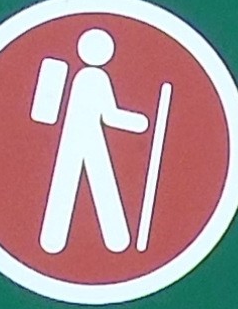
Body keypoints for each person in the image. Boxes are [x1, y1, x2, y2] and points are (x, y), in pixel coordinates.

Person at [32, 27, 150, 257]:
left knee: (71, 184)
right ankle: (114, 240)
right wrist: (139, 123)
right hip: (84, 138)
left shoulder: (85, 77)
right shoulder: (94, 78)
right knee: (97, 183)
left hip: (81, 138)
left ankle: (57, 240)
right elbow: (109, 116)